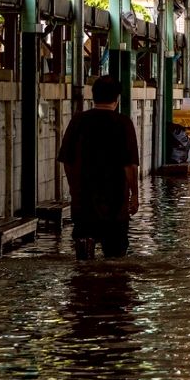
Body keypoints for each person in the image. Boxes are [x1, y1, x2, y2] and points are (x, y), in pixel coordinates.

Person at [56, 74, 142, 260]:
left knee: (84, 261)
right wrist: (134, 195)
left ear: (93, 96)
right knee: (116, 262)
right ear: (117, 99)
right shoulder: (123, 124)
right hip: (115, 205)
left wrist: (74, 188)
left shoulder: (78, 121)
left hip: (84, 205)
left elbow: (67, 161)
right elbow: (130, 165)